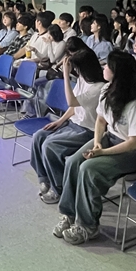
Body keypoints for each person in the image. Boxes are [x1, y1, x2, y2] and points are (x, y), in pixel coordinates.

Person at [53, 51, 136, 245]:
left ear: (117, 72)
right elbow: (100, 120)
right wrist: (97, 141)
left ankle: (88, 226)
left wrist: (102, 152)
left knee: (88, 168)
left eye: (107, 66)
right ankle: (69, 214)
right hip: (111, 138)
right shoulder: (107, 89)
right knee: (74, 162)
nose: (103, 68)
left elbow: (134, 142)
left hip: (134, 151)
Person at [31, 51, 106, 204]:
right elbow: (73, 108)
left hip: (87, 130)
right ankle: (44, 178)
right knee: (39, 136)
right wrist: (60, 121)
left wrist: (65, 75)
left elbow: (72, 101)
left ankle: (59, 188)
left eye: (77, 68)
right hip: (72, 123)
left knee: (50, 146)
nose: (75, 71)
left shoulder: (99, 87)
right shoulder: (83, 80)